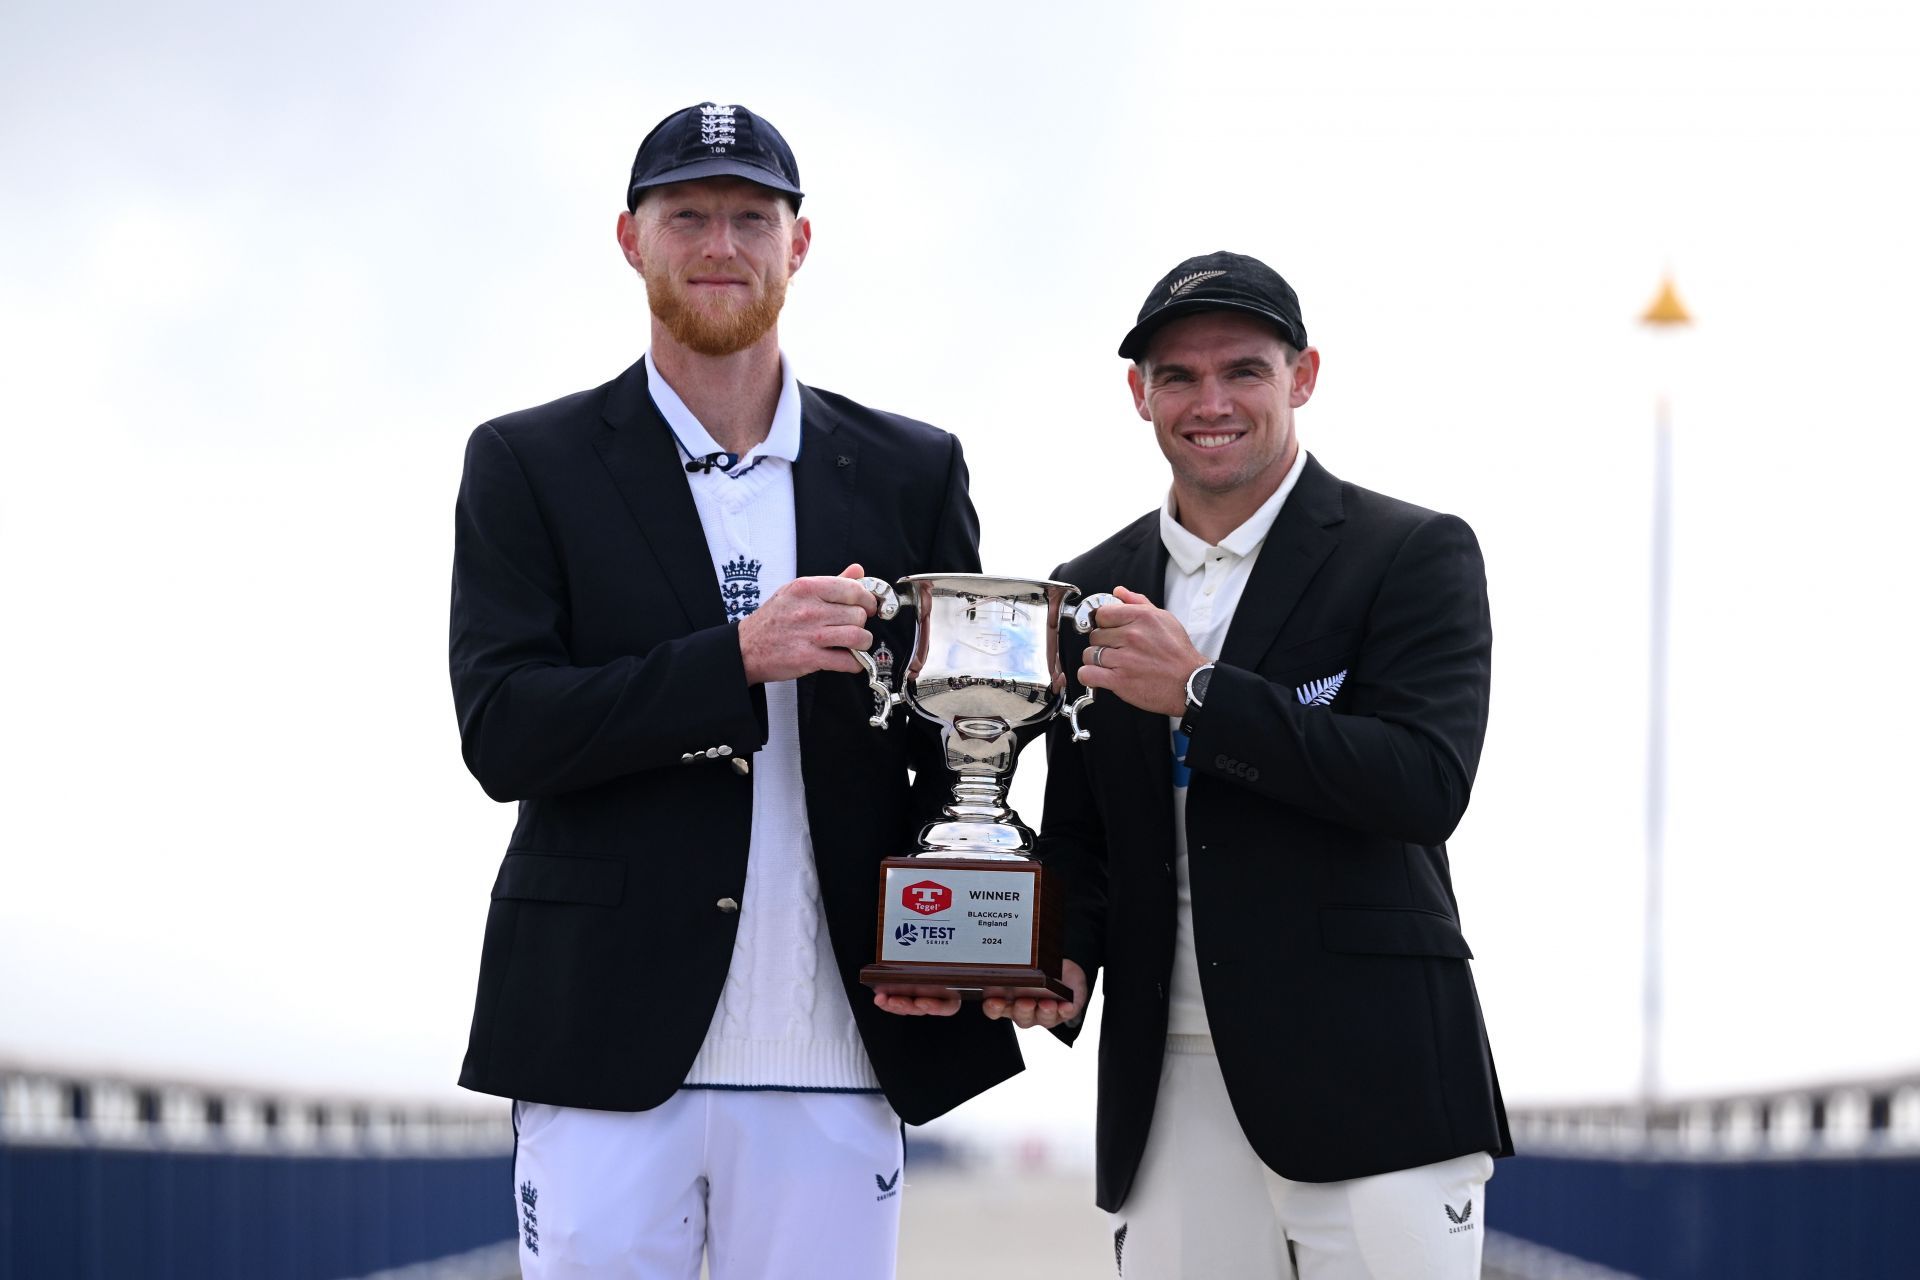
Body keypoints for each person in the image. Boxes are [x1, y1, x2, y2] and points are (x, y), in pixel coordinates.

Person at [448, 102, 1019, 1280]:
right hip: (601, 1039)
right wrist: (735, 659)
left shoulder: (915, 467)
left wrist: (982, 939)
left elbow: (968, 747)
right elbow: (504, 730)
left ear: (797, 245)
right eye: (689, 215)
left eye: (752, 217)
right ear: (631, 239)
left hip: (843, 1046)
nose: (722, 243)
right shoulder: (526, 461)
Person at [988, 251, 1511, 1277]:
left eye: (1244, 370)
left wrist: (1203, 694)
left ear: (1302, 375)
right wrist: (1063, 951)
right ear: (1139, 394)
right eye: (1177, 376)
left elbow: (1422, 783)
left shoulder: (1412, 551)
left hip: (1374, 1082)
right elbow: (1088, 829)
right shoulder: (1088, 586)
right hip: (1165, 1087)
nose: (1209, 401)